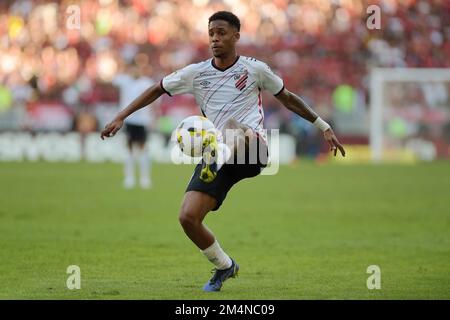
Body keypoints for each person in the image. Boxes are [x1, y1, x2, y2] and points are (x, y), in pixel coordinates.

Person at [101, 11, 346, 292]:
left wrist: (322, 125)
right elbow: (156, 89)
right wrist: (121, 116)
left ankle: (216, 159)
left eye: (221, 33)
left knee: (230, 127)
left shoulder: (255, 69)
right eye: (211, 34)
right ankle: (224, 265)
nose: (215, 39)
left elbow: (288, 98)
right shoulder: (196, 73)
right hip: (217, 153)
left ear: (236, 36)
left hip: (252, 150)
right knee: (188, 218)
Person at [112, 65, 154, 189]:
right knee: (129, 149)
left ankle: (145, 178)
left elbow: (153, 101)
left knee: (143, 149)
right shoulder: (124, 80)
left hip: (143, 121)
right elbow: (114, 80)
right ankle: (129, 178)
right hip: (129, 120)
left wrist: (153, 117)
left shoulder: (146, 82)